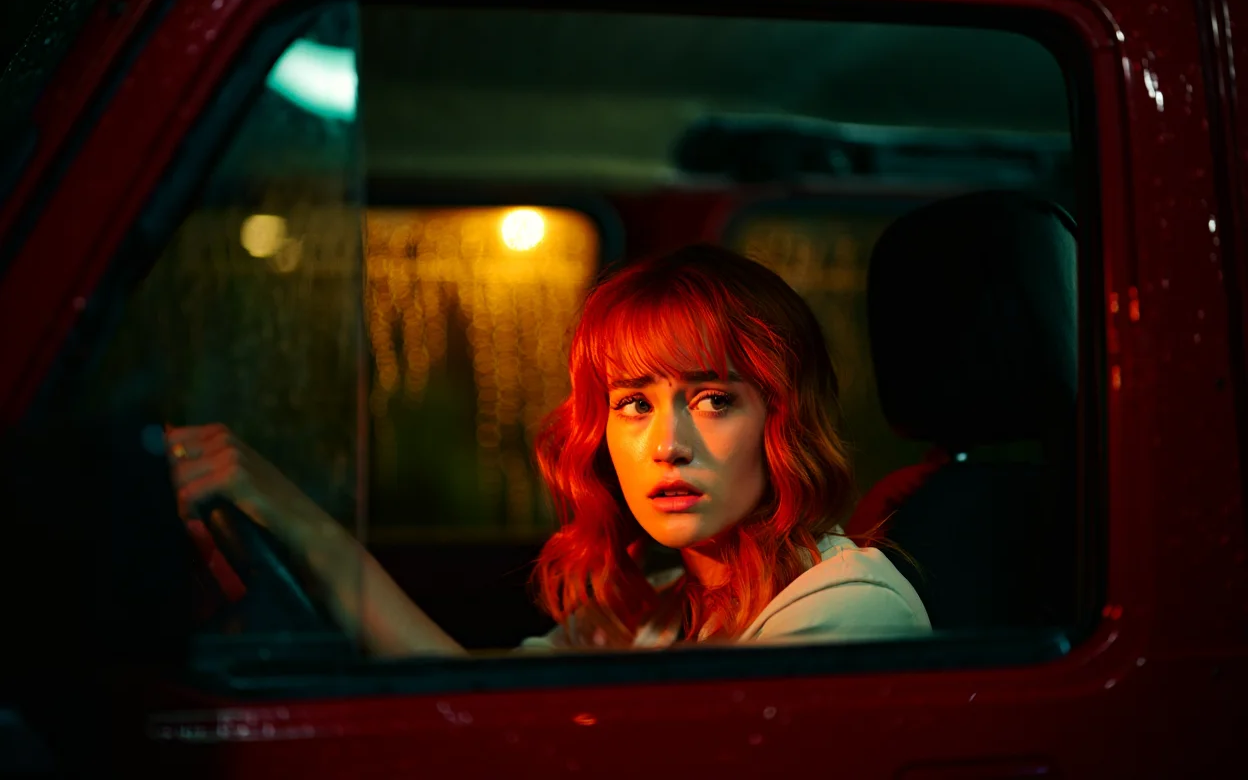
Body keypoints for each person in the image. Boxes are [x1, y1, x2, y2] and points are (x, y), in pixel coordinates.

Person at [166, 243, 930, 656]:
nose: (668, 443)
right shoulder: (659, 604)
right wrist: (303, 527)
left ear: (781, 421)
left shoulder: (847, 611)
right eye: (634, 403)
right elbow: (469, 703)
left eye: (714, 401)